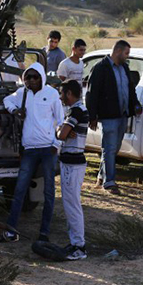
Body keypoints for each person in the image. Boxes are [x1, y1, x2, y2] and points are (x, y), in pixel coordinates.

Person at [1, 62, 63, 242]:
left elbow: (60, 120)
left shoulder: (51, 94)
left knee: (49, 192)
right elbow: (7, 100)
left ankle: (44, 233)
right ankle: (11, 230)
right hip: (29, 149)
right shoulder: (22, 93)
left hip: (48, 149)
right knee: (20, 190)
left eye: (35, 77)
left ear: (42, 77)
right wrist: (16, 110)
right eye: (27, 77)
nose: (31, 80)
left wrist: (56, 144)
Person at [86, 40, 142, 195]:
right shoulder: (100, 68)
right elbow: (92, 93)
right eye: (126, 53)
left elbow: (130, 90)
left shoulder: (124, 68)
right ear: (117, 51)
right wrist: (92, 116)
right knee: (109, 149)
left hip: (122, 115)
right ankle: (109, 182)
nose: (127, 56)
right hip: (108, 116)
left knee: (113, 149)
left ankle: (101, 177)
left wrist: (135, 104)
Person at [56, 80, 89, 260]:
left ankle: (79, 246)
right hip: (72, 162)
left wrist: (61, 129)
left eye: (62, 93)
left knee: (72, 205)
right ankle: (75, 241)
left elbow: (61, 134)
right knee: (71, 204)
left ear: (69, 93)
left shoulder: (76, 111)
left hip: (72, 164)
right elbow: (65, 132)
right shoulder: (77, 111)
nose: (61, 98)